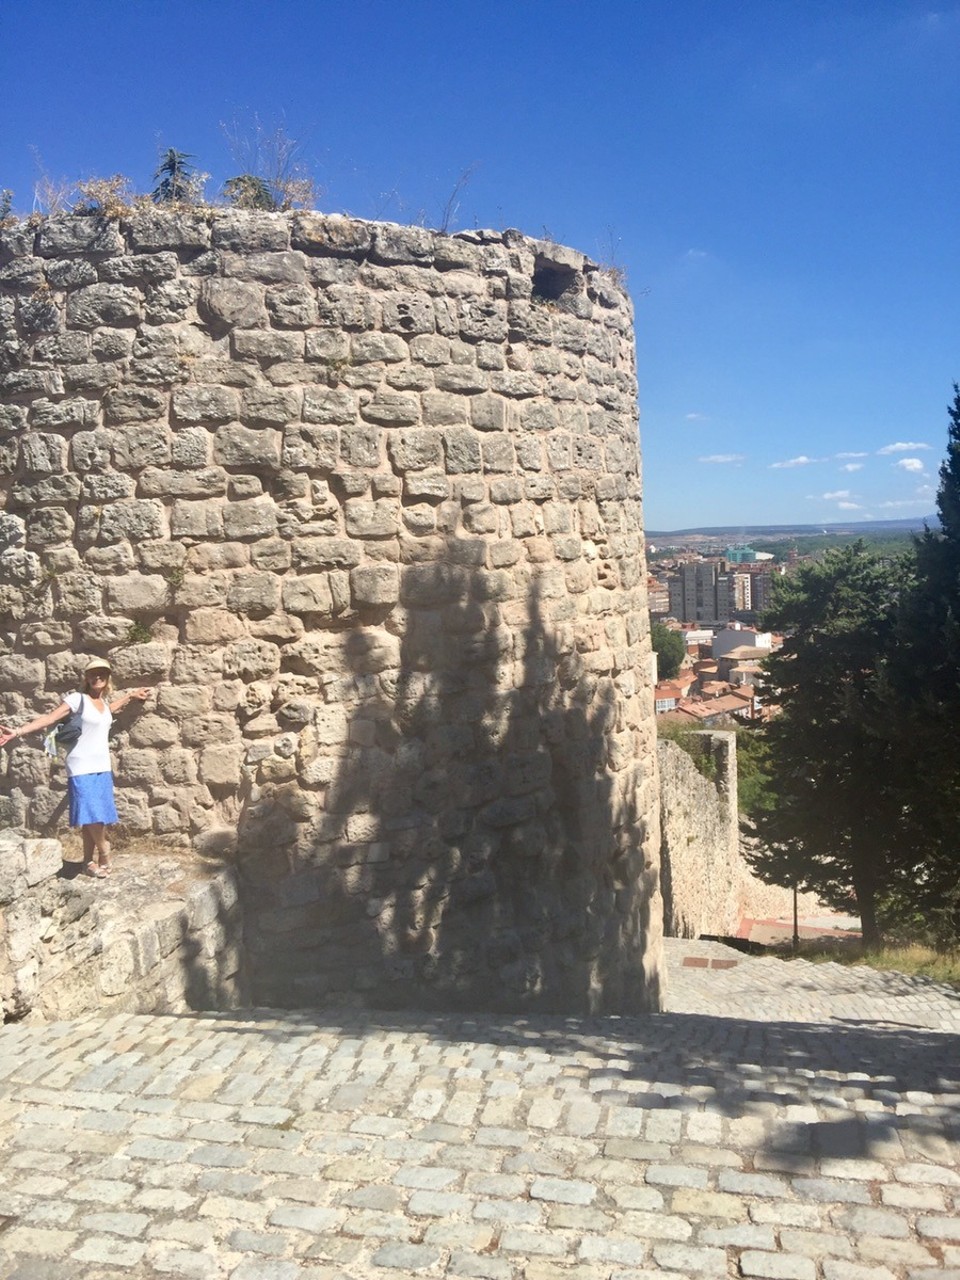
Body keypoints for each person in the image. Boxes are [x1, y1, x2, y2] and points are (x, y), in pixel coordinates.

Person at [0, 659, 150, 878]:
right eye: (92, 674)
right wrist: (18, 731)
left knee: (95, 816)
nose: (96, 677)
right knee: (90, 812)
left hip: (102, 766)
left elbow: (108, 712)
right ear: (86, 678)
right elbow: (50, 718)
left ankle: (88, 862)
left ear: (107, 677)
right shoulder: (77, 699)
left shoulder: (104, 704)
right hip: (80, 765)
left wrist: (129, 696)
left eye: (101, 673)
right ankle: (105, 849)